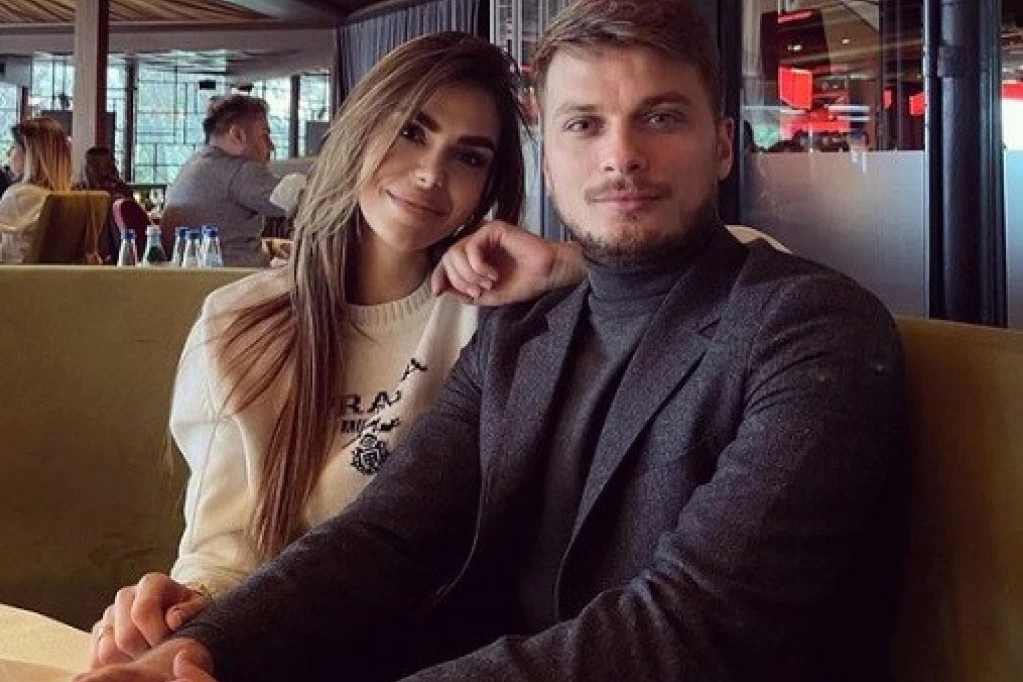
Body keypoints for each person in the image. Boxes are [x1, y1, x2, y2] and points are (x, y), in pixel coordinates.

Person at [80, 1, 904, 681]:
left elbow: (694, 627)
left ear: (722, 145)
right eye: (583, 124)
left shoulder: (811, 330)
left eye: (659, 117)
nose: (621, 156)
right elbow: (387, 536)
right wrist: (199, 651)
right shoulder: (518, 333)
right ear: (548, 162)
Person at [87, 31, 565, 669]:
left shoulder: (493, 321)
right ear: (360, 130)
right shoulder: (239, 321)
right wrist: (184, 608)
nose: (431, 174)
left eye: (469, 157)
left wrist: (570, 264)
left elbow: (722, 261)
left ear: (489, 186)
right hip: (267, 648)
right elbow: (223, 550)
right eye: (411, 132)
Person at [160, 95, 290, 267]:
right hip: (232, 278)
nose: (271, 146)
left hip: (191, 274)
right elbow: (303, 201)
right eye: (264, 135)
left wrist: (271, 246)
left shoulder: (193, 164)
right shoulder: (239, 170)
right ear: (237, 135)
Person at [0, 117, 72, 263]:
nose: (8, 153)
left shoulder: (19, 196)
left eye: (14, 146)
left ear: (31, 154)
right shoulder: (67, 199)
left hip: (12, 275)